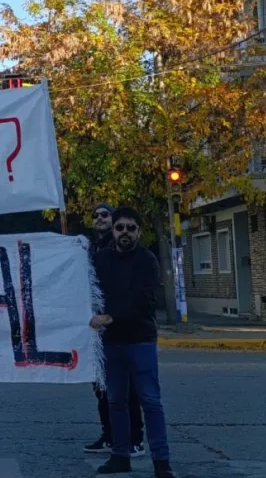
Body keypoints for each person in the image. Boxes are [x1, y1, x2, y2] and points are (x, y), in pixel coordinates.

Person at [91, 207, 177, 478]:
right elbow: (85, 285)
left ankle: (161, 463)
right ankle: (120, 456)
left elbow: (143, 299)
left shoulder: (147, 260)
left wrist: (110, 317)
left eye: (131, 227)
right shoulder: (101, 259)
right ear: (113, 231)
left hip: (140, 340)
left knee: (150, 401)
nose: (124, 232)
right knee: (116, 401)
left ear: (139, 231)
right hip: (110, 343)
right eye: (120, 227)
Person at [84, 203, 145, 459]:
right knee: (102, 387)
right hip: (96, 327)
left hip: (119, 326)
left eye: (105, 215)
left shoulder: (119, 247)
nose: (100, 219)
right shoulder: (90, 248)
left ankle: (135, 438)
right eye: (95, 215)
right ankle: (109, 434)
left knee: (126, 388)